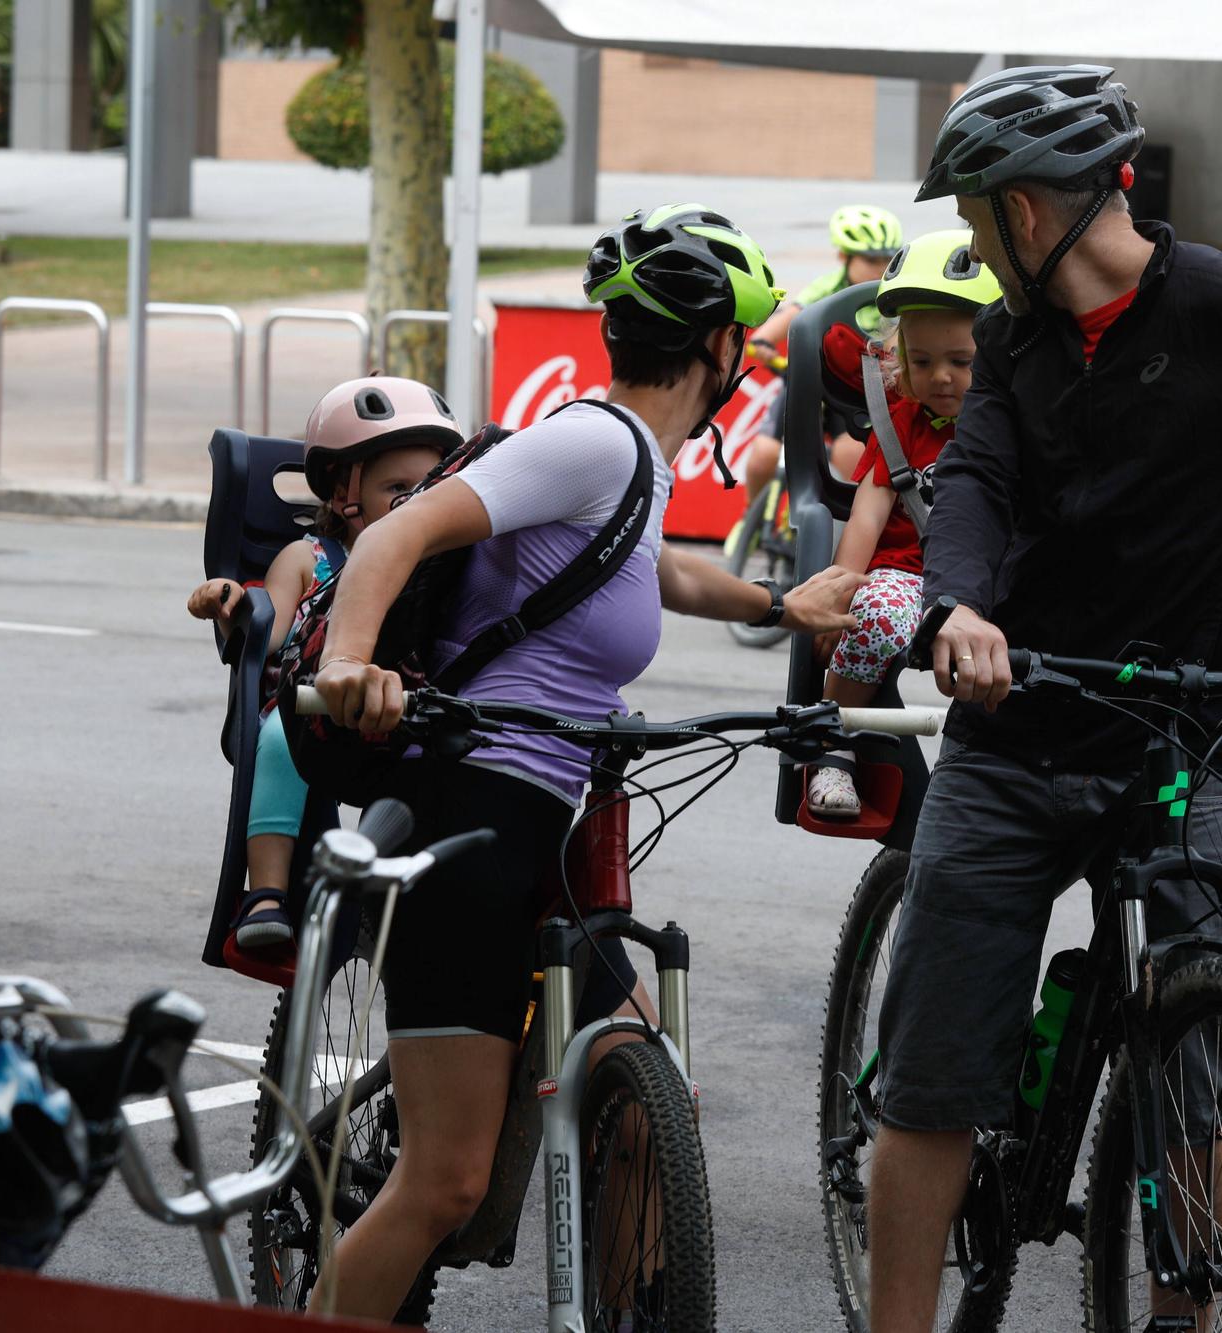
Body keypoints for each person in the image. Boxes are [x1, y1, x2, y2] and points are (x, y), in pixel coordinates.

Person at [868, 65, 1222, 1330]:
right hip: (1012, 741)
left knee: (1195, 1076)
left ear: (1023, 214)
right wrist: (953, 608)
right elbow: (971, 488)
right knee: (929, 1083)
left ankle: (1183, 1319)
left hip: (1182, 746)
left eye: (974, 218)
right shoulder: (1015, 343)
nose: (974, 241)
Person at [302, 204, 862, 1320]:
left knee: (646, 1090)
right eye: (738, 348)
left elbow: (647, 573)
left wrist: (778, 604)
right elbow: (391, 535)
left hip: (540, 820)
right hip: (467, 813)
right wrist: (348, 663)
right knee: (444, 1181)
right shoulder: (592, 441)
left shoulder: (630, 467)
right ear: (716, 350)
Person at [186, 377, 456, 953]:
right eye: (396, 489)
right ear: (342, 494)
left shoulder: (443, 566)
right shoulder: (309, 559)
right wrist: (227, 604)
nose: (416, 505)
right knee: (280, 736)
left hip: (410, 712)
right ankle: (267, 892)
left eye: (430, 489)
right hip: (315, 711)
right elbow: (267, 637)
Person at [807, 229, 1001, 817]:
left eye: (961, 362)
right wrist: (838, 595)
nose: (941, 376)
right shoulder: (899, 425)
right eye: (923, 362)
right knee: (877, 615)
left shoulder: (1010, 426)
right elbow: (867, 515)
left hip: (990, 582)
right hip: (907, 576)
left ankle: (1005, 765)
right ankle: (833, 742)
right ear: (900, 361)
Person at [738, 204, 904, 507]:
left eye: (887, 258)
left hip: (854, 395)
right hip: (807, 387)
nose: (880, 267)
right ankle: (749, 518)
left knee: (850, 454)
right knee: (763, 455)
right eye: (870, 259)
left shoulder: (892, 296)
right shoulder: (823, 290)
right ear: (844, 257)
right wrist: (784, 364)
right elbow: (761, 340)